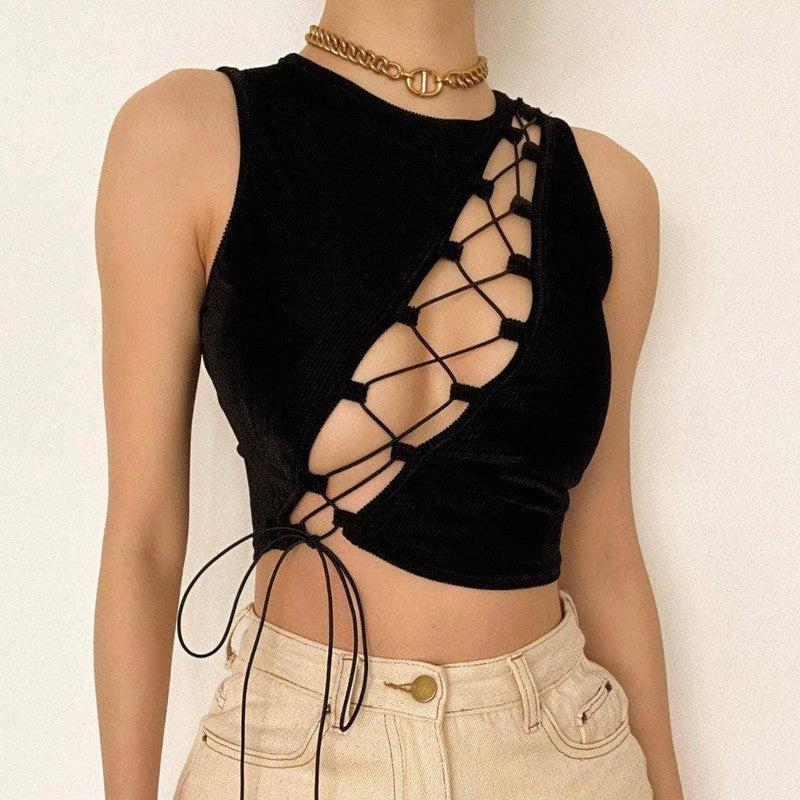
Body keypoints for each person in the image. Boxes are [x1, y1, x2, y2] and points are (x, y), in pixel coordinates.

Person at [93, 4, 683, 800]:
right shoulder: (188, 135)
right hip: (296, 756)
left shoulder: (610, 191)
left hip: (560, 750)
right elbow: (143, 542)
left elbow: (605, 555)